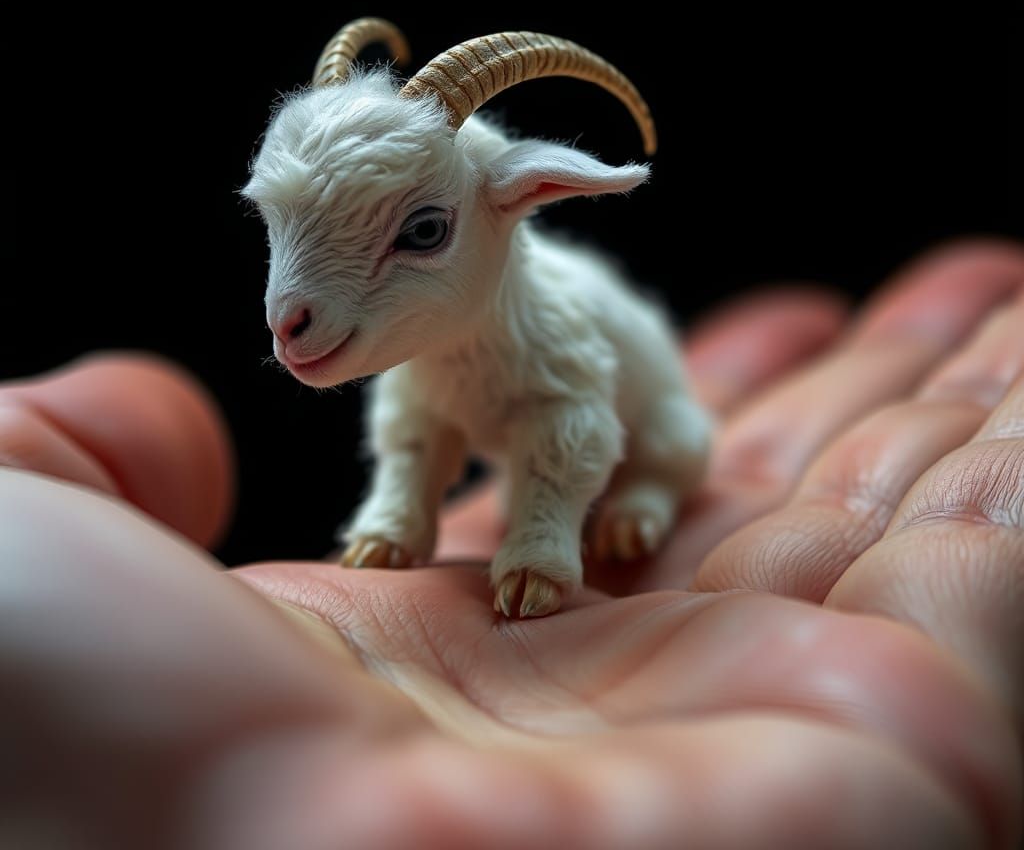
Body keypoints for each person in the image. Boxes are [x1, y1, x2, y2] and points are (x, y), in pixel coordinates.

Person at [1, 240, 1022, 849]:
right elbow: (414, 413)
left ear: (511, 203)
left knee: (645, 436)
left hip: (639, 426)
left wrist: (546, 529)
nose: (290, 306)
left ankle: (644, 498)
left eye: (423, 229)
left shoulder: (552, 319)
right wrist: (403, 510)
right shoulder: (423, 340)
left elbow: (572, 421)